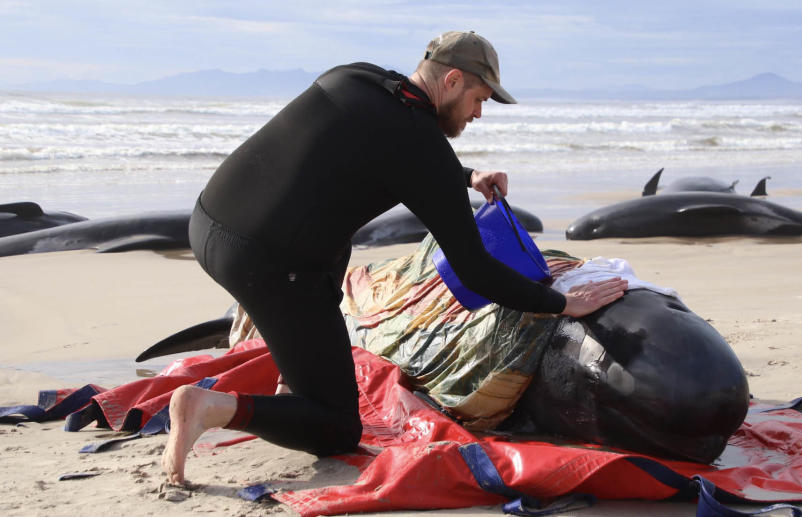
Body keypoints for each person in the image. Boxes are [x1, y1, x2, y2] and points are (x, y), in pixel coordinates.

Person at [162, 30, 628, 484]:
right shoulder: (422, 145)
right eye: (479, 98)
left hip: (207, 222)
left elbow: (378, 150)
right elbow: (476, 271)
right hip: (265, 264)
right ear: (451, 82)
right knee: (337, 428)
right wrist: (564, 304)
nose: (479, 114)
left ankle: (291, 377)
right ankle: (208, 408)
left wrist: (462, 176)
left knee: (332, 240)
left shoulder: (356, 78)